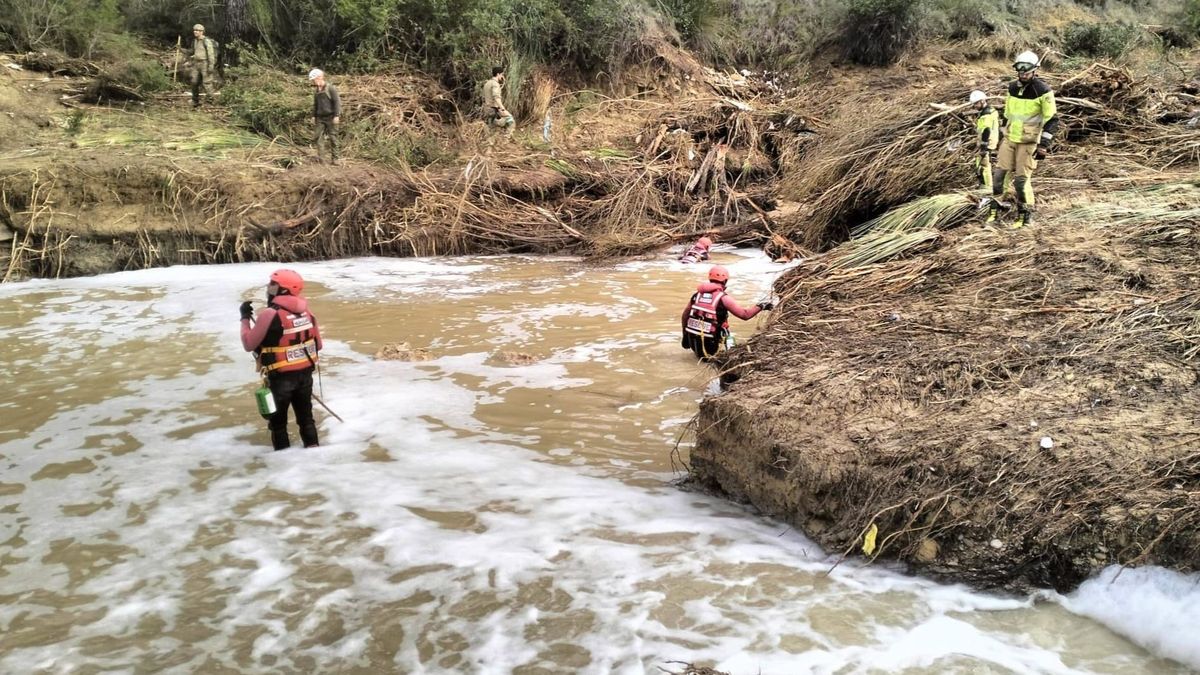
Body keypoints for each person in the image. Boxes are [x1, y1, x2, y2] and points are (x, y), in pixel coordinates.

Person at [240, 269, 323, 451]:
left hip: (280, 380)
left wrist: (245, 318)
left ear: (283, 289)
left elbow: (248, 343)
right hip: (305, 377)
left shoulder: (269, 314)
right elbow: (319, 345)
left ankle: (283, 461)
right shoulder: (307, 312)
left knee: (278, 425)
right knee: (306, 420)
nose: (268, 287)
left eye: (272, 284)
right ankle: (315, 453)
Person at [987, 51, 1059, 228]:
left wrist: (1044, 145)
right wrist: (1002, 135)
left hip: (1028, 142)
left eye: (1027, 70)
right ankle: (995, 210)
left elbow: (1052, 119)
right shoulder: (1012, 88)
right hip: (1011, 138)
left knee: (1021, 181)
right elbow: (1007, 114)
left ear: (1035, 70)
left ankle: (1025, 216)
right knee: (998, 177)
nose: (1023, 73)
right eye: (1020, 70)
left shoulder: (1043, 91)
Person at [681, 265, 773, 359]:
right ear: (725, 281)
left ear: (710, 279)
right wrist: (761, 306)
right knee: (715, 359)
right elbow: (745, 315)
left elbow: (685, 316)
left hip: (691, 338)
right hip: (711, 343)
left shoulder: (697, 295)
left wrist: (684, 334)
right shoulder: (723, 298)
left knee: (699, 360)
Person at [309, 68, 341, 165]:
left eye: (315, 80)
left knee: (333, 138)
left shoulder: (330, 88)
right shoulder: (317, 91)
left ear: (320, 77)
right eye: (313, 80)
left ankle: (335, 159)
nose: (314, 82)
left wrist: (336, 115)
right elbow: (315, 104)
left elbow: (337, 102)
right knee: (318, 137)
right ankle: (321, 159)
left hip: (331, 117)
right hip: (320, 118)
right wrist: (314, 116)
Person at [970, 90, 999, 189]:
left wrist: (983, 146)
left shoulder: (986, 115)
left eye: (976, 103)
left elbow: (986, 130)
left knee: (984, 166)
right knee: (980, 163)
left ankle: (987, 187)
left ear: (982, 101)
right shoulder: (991, 110)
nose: (975, 106)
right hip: (990, 141)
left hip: (987, 143)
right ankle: (984, 184)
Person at [186, 24, 219, 109]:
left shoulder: (206, 41)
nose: (195, 32)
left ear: (202, 32)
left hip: (205, 63)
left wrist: (211, 66)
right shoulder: (195, 41)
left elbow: (211, 54)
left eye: (197, 30)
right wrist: (181, 50)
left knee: (207, 83)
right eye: (194, 30)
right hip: (196, 64)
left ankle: (211, 101)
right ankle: (195, 100)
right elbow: (192, 51)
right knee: (194, 82)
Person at [482, 66, 515, 140]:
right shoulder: (495, 84)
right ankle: (506, 139)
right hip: (494, 109)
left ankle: (492, 142)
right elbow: (496, 97)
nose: (502, 76)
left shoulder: (487, 83)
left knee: (491, 127)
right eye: (502, 74)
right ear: (498, 74)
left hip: (487, 108)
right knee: (510, 119)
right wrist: (503, 109)